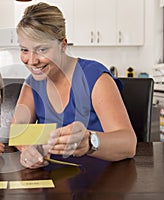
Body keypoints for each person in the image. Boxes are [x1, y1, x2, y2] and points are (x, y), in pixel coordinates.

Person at [12, 2, 137, 168]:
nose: (32, 61)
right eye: (24, 50)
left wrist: (91, 142)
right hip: (53, 183)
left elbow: (128, 144)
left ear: (63, 45)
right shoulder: (32, 83)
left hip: (100, 182)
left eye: (42, 50)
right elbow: (18, 129)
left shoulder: (94, 76)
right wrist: (27, 149)